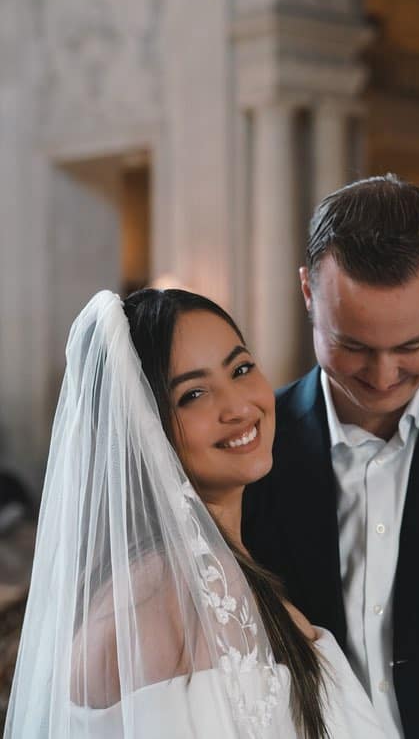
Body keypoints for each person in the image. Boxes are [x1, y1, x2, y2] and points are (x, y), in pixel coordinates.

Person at [4, 288, 386, 738]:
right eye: (194, 394)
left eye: (240, 369)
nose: (239, 407)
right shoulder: (176, 600)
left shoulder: (178, 581)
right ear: (140, 427)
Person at [243, 174, 419, 739]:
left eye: (412, 346)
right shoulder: (245, 451)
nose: (383, 377)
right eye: (352, 345)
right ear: (308, 292)